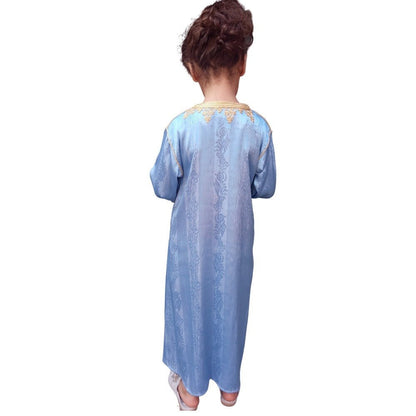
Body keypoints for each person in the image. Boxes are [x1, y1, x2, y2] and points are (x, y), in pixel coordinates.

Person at [150, 0, 276, 410]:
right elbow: (266, 186)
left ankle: (190, 391)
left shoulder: (180, 128)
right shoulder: (258, 129)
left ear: (193, 70)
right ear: (243, 63)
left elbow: (162, 185)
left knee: (190, 306)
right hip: (235, 250)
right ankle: (229, 388)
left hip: (190, 251)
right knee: (231, 307)